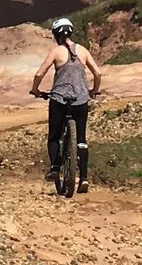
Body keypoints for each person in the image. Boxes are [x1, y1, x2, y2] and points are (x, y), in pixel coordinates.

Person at [28, 15, 102, 196]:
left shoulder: (56, 51)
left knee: (54, 136)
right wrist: (93, 91)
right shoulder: (83, 50)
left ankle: (55, 167)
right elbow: (98, 73)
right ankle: (83, 178)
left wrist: (35, 90)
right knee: (82, 140)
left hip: (59, 98)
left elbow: (39, 74)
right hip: (81, 99)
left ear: (55, 35)